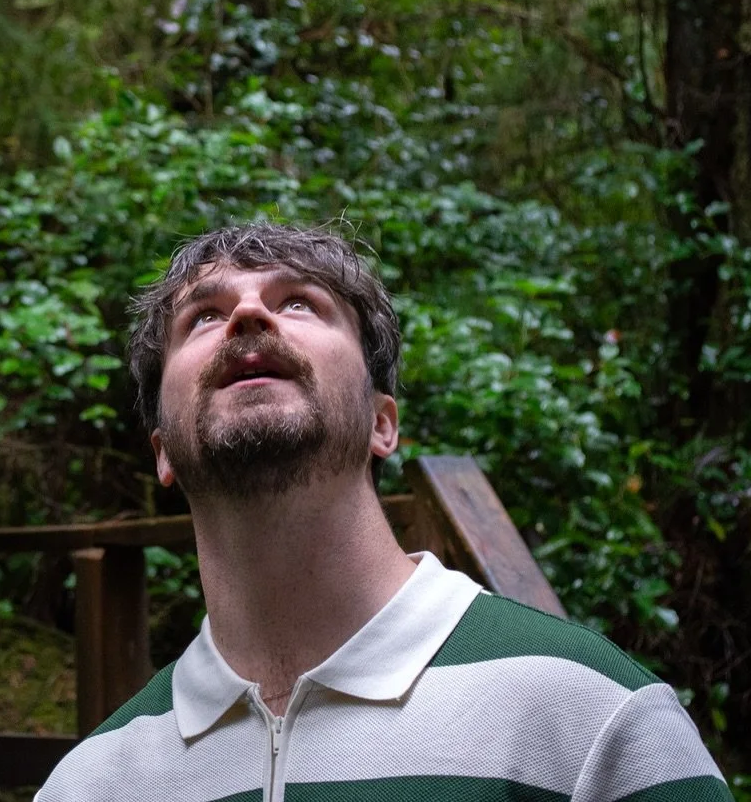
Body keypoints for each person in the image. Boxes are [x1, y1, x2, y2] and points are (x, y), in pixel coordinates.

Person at [37, 222, 731, 802]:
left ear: (381, 423)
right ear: (163, 451)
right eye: (204, 316)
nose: (248, 316)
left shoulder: (591, 721)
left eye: (300, 302)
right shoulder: (91, 784)